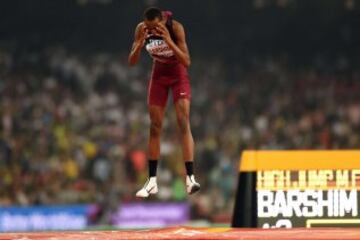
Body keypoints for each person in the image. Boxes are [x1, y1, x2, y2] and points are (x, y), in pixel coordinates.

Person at [128, 7, 200, 197]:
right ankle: (151, 181)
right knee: (155, 126)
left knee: (183, 121)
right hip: (159, 74)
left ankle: (190, 177)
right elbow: (132, 61)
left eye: (156, 26)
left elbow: (186, 61)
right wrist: (139, 45)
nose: (152, 30)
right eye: (149, 27)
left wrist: (168, 40)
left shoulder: (175, 28)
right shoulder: (142, 29)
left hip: (177, 74)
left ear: (162, 21)